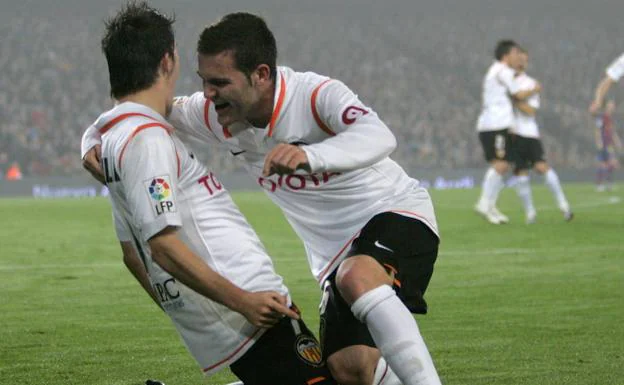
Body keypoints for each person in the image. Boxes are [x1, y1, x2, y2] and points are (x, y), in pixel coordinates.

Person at [84, 11, 442, 385]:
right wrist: (91, 138)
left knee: (357, 277)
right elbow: (143, 112)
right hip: (333, 259)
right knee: (348, 370)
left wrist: (310, 156)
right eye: (204, 81)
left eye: (219, 82)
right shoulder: (215, 114)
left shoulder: (314, 94)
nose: (208, 93)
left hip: (393, 212)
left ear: (261, 74)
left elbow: (379, 135)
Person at [89, 4, 335, 385]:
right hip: (248, 310)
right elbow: (161, 247)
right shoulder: (145, 140)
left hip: (233, 310)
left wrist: (185, 309)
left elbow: (130, 252)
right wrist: (242, 302)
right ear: (168, 59)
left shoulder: (118, 140)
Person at [474, 40, 541, 224]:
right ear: (506, 55)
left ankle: (490, 205)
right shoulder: (502, 71)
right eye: (515, 54)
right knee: (501, 165)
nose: (517, 57)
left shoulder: (498, 71)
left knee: (504, 164)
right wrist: (535, 89)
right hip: (494, 125)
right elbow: (518, 95)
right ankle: (484, 203)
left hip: (498, 125)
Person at [509, 48, 573, 223]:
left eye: (524, 59)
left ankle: (564, 206)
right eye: (518, 58)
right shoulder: (508, 81)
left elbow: (531, 111)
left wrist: (514, 100)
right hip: (513, 134)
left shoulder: (530, 82)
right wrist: (519, 97)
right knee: (521, 173)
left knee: (542, 167)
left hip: (529, 133)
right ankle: (530, 214)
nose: (521, 62)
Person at [593, 100, 622, 191]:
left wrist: (617, 142)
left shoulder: (610, 118)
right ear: (606, 107)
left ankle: (608, 183)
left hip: (609, 145)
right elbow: (597, 130)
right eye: (611, 105)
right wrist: (599, 142)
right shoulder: (601, 117)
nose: (612, 107)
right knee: (602, 165)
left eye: (613, 106)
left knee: (611, 164)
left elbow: (612, 132)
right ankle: (599, 184)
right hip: (603, 144)